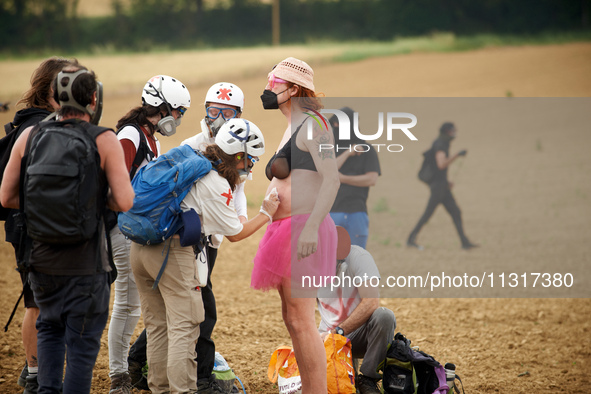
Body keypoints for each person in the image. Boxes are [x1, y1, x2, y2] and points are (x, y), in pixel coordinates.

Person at [0, 65, 134, 393]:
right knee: (81, 349)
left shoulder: (31, 135)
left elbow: (6, 196)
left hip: (41, 262)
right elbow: (126, 201)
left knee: (49, 332)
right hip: (85, 265)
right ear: (93, 98)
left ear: (57, 96)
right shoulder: (103, 139)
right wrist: (88, 202)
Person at [130, 118, 278, 394]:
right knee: (184, 328)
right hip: (170, 254)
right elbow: (235, 233)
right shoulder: (216, 182)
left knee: (158, 326)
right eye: (251, 160)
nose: (252, 166)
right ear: (239, 156)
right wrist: (266, 213)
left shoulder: (193, 156)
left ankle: (160, 389)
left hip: (140, 249)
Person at [253, 57, 340, 393]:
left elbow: (331, 181)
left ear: (292, 89)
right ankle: (308, 388)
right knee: (292, 319)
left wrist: (310, 228)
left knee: (302, 321)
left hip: (304, 229)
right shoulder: (292, 125)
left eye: (274, 83)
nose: (267, 89)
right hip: (284, 229)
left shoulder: (314, 124)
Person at [108, 74, 191, 394]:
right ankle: (119, 375)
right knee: (127, 305)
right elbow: (115, 182)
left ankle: (127, 368)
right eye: (178, 111)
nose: (179, 118)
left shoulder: (148, 134)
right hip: (123, 227)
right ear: (163, 107)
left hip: (135, 227)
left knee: (133, 305)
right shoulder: (131, 134)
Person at [2, 56, 78, 394]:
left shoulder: (52, 123)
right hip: (31, 229)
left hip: (47, 228)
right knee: (37, 304)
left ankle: (37, 368)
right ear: (52, 89)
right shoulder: (34, 128)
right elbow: (8, 195)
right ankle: (35, 375)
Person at [317, 227, 396, 394]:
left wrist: (338, 331)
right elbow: (302, 314)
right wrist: (313, 340)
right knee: (343, 389)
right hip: (327, 338)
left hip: (359, 333)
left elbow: (371, 302)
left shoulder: (360, 258)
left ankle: (367, 378)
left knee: (384, 316)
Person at [407, 122, 477, 250]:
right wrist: (457, 155)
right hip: (438, 187)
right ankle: (411, 238)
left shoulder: (441, 142)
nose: (454, 133)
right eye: (452, 131)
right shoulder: (441, 144)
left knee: (455, 212)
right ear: (447, 131)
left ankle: (464, 241)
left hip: (442, 185)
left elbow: (439, 168)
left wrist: (446, 181)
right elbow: (441, 164)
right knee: (429, 213)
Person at [329, 107, 381, 249]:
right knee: (329, 263)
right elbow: (328, 172)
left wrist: (343, 178)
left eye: (338, 123)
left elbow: (372, 179)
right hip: (331, 212)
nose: (335, 126)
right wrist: (347, 153)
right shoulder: (328, 149)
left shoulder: (367, 150)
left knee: (356, 260)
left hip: (357, 212)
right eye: (334, 123)